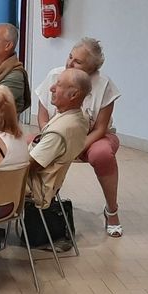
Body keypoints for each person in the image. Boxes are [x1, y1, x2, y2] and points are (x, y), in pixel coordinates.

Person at [34, 37, 124, 237]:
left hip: (92, 138)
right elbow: (42, 115)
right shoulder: (55, 75)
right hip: (57, 135)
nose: (70, 63)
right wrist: (48, 137)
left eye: (78, 62)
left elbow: (100, 129)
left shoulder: (104, 84)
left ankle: (112, 210)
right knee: (25, 146)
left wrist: (75, 146)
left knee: (102, 154)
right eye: (70, 57)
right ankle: (40, 204)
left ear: (92, 68)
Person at [28, 69, 91, 211]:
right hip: (50, 183)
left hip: (35, 186)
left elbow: (28, 166)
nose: (51, 88)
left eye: (59, 85)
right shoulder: (79, 118)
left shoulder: (59, 131)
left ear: (74, 95)